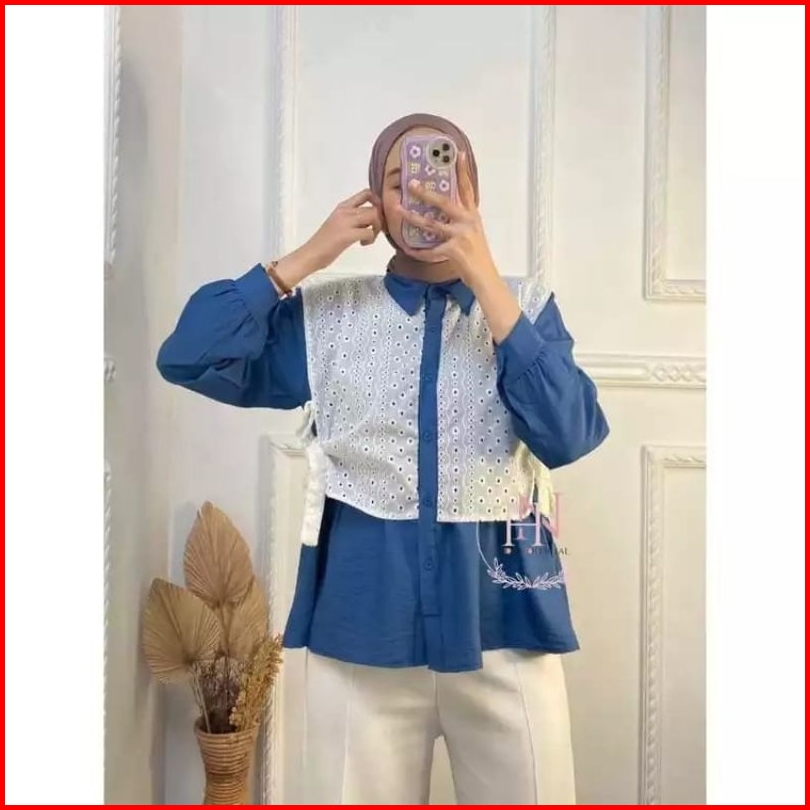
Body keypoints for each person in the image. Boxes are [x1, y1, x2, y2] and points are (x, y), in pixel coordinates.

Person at [157, 113, 609, 805]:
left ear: (472, 193)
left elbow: (569, 433)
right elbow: (188, 356)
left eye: (442, 177)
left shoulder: (525, 308)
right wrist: (306, 258)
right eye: (400, 183)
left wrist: (485, 278)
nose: (422, 197)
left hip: (506, 627)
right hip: (360, 637)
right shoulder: (327, 316)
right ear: (375, 199)